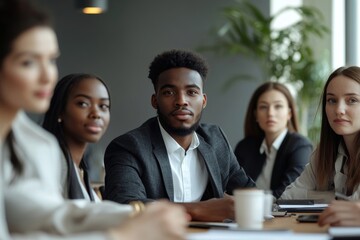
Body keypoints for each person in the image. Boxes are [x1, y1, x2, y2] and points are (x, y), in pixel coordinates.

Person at [0, 0, 187, 239]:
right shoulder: (47, 150)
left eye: (51, 60)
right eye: (28, 62)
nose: (48, 75)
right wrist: (123, 235)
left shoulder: (35, 145)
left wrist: (134, 215)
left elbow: (49, 214)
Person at [104, 49, 255, 222]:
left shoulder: (215, 139)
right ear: (155, 100)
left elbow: (249, 192)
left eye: (191, 92)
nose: (181, 100)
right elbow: (126, 207)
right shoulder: (128, 147)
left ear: (203, 101)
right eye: (169, 92)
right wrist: (199, 209)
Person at [281, 66, 360, 204]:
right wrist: (332, 197)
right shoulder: (324, 153)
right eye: (332, 100)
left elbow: (354, 207)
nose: (339, 110)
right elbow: (288, 197)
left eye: (352, 100)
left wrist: (323, 197)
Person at [234, 82, 313, 199]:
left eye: (278, 106)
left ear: (289, 114)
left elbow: (287, 194)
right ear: (256, 114)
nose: (270, 113)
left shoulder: (300, 147)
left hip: (283, 216)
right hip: (245, 214)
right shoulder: (244, 147)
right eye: (263, 107)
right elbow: (233, 189)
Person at [43, 73, 110, 201]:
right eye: (83, 104)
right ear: (60, 111)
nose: (96, 114)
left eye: (103, 106)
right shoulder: (50, 164)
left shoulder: (81, 171)